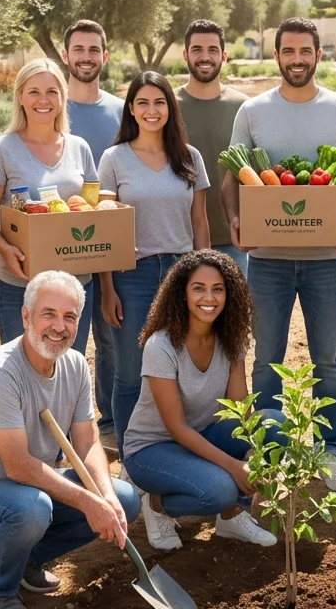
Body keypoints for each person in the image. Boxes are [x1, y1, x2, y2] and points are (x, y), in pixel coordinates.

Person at [0, 271, 140, 609]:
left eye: (69, 316)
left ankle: (27, 559)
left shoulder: (74, 365)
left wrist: (106, 498)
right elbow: (18, 467)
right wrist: (90, 504)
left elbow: (87, 443)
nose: (59, 326)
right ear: (26, 316)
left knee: (125, 500)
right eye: (49, 314)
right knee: (32, 509)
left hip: (30, 489)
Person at [221, 16, 336, 492]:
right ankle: (268, 449)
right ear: (277, 55)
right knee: (267, 358)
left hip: (328, 259)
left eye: (306, 51)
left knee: (329, 358)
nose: (297, 59)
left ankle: (326, 450)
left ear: (319, 55)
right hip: (268, 259)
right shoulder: (253, 111)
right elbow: (231, 179)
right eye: (289, 51)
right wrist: (237, 222)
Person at [123, 250, 283, 551]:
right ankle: (157, 505)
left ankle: (232, 517)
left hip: (203, 433)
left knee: (275, 424)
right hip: (152, 448)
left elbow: (241, 411)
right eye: (198, 288)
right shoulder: (161, 345)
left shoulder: (230, 338)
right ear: (182, 293)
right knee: (220, 490)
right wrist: (235, 468)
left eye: (218, 289)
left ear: (228, 294)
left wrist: (254, 452)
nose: (208, 297)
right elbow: (176, 428)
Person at [98, 71, 209, 458]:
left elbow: (199, 222)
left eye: (159, 102)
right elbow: (105, 229)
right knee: (131, 372)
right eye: (142, 102)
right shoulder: (114, 159)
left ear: (169, 108)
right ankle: (132, 459)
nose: (151, 110)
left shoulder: (189, 157)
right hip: (133, 276)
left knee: (179, 367)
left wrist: (204, 275)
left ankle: (176, 451)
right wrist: (108, 288)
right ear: (131, 109)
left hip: (182, 274)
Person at [0, 58, 98, 357]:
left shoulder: (79, 148)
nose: (43, 100)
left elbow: (92, 210)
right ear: (19, 96)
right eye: (33, 92)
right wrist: (6, 250)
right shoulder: (1, 149)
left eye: (51, 92)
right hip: (20, 286)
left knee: (67, 373)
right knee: (21, 374)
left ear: (62, 97)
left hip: (75, 286)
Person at [61, 19, 125, 452]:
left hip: (115, 241)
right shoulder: (48, 104)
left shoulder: (122, 111)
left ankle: (109, 424)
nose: (85, 56)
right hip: (61, 248)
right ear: (67, 55)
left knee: (113, 338)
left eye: (93, 49)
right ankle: (63, 429)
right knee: (66, 342)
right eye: (78, 49)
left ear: (105, 55)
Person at [175, 19, 250, 276]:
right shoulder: (166, 106)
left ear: (224, 56)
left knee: (237, 317)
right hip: (179, 242)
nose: (204, 57)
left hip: (237, 239)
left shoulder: (245, 107)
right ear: (185, 54)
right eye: (197, 49)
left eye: (212, 50)